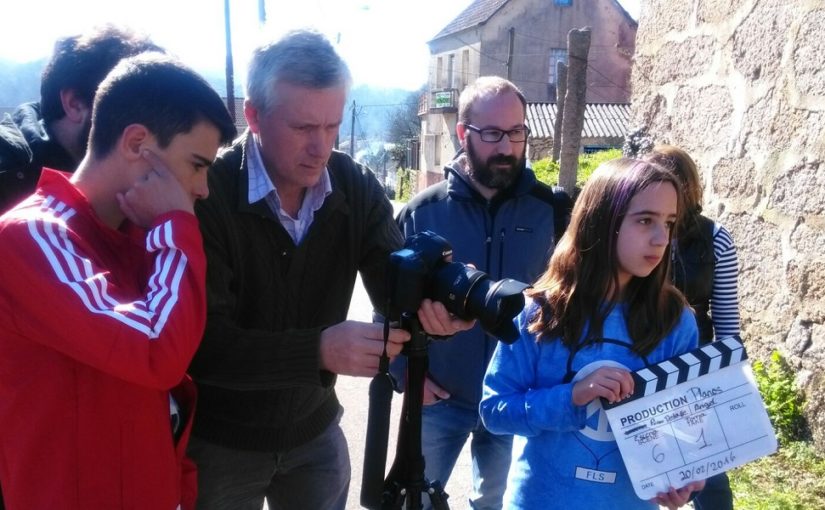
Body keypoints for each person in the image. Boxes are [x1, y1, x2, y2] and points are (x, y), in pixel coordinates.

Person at [187, 29, 470, 510]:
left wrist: (441, 307)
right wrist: (317, 349)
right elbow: (202, 346)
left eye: (332, 126)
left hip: (314, 436)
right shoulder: (206, 191)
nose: (321, 147)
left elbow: (393, 285)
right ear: (253, 115)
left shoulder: (352, 183)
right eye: (302, 128)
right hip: (221, 443)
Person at [0, 52, 236, 510]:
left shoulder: (137, 237)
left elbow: (163, 393)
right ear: (135, 143)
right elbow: (155, 350)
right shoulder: (32, 236)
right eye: (197, 164)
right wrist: (175, 226)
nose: (204, 189)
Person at [479, 158, 706, 509]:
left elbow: (683, 427)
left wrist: (682, 477)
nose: (662, 238)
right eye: (645, 220)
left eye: (670, 222)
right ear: (602, 221)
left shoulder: (676, 322)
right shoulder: (539, 312)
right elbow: (494, 411)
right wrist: (572, 397)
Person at [390, 76, 570, 509]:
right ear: (462, 133)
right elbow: (388, 309)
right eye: (491, 134)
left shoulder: (556, 211)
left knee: (494, 503)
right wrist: (403, 374)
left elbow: (574, 298)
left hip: (519, 399)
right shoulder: (422, 213)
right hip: (439, 396)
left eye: (516, 132)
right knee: (415, 500)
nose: (506, 147)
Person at [644, 145, 740, 510]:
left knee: (708, 465)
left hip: (695, 366)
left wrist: (729, 379)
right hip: (639, 359)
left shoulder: (716, 239)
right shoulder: (634, 231)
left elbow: (728, 319)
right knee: (643, 461)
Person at [0, 25, 163, 213]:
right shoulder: (8, 178)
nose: (156, 132)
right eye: (139, 112)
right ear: (75, 104)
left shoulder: (147, 183)